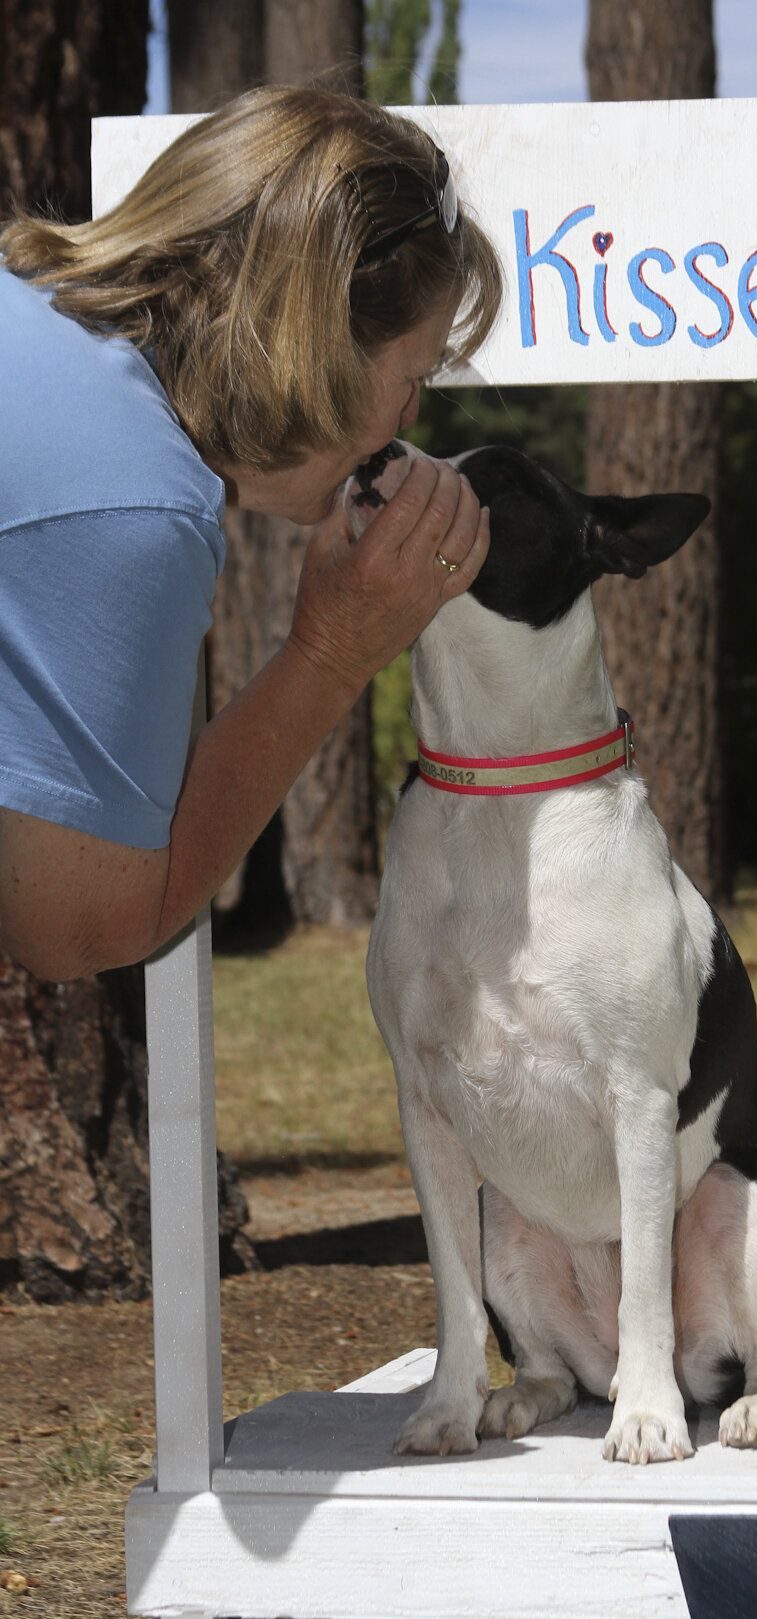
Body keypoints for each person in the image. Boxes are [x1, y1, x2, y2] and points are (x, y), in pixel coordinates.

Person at [0, 87, 502, 982]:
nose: (411, 417)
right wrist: (331, 654)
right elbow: (77, 929)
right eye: (414, 376)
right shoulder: (132, 503)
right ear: (315, 347)